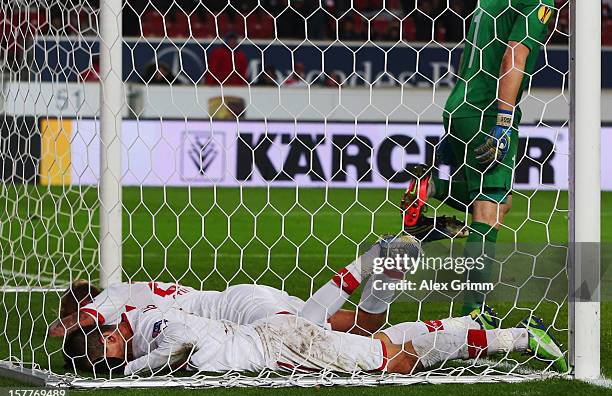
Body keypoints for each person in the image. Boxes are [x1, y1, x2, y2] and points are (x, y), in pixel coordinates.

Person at [401, 0, 555, 314]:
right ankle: (473, 314)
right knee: (488, 210)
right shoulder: (539, 2)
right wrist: (503, 122)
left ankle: (432, 189)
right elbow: (515, 55)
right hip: (488, 110)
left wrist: (458, 121)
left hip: (461, 104)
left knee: (501, 204)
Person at [49, 235, 423, 338]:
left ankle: (371, 259)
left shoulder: (111, 297)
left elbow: (64, 327)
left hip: (239, 312)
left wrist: (67, 326)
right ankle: (395, 261)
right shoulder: (135, 296)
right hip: (250, 300)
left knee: (305, 339)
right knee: (364, 327)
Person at [63, 304, 567, 376]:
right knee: (386, 346)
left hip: (280, 345)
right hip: (276, 338)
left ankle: (514, 337)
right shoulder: (143, 335)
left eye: (101, 340)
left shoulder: (152, 330)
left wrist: (133, 370)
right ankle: (465, 321)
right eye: (102, 353)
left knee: (391, 361)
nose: (108, 343)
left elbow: (183, 343)